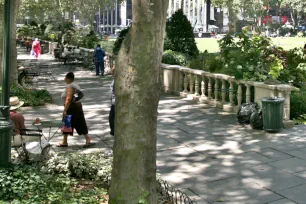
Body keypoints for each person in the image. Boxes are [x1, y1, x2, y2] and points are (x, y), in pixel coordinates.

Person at [57, 72, 94, 148]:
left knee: (67, 123)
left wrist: (65, 110)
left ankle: (64, 142)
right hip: (77, 106)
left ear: (68, 78)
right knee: (80, 122)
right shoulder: (75, 85)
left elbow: (68, 98)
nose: (64, 79)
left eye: (65, 78)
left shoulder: (70, 87)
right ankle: (88, 139)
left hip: (71, 107)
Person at [109, 66, 115, 136]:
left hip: (116, 103)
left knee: (112, 118)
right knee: (111, 118)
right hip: (114, 102)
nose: (111, 72)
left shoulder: (118, 80)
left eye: (113, 71)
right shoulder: (114, 79)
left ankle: (114, 131)